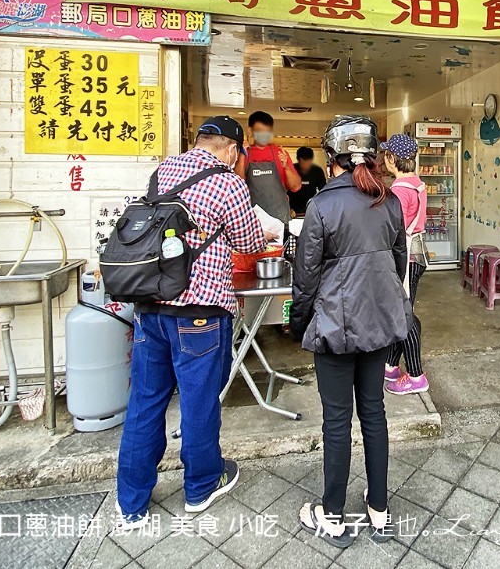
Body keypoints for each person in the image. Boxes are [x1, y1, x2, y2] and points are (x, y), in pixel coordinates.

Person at [117, 116, 280, 528]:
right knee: (198, 400)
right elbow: (246, 242)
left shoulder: (164, 169)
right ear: (231, 150)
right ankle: (201, 484)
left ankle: (131, 501)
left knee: (145, 400)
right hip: (199, 313)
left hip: (150, 308)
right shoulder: (228, 182)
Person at [289, 116, 411, 549]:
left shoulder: (321, 206)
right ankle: (379, 510)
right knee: (374, 413)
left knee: (337, 421)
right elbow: (398, 266)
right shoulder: (389, 201)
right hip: (379, 324)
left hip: (335, 328)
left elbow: (304, 279)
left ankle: (334, 516)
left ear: (331, 158)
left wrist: (299, 324)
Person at [381, 134, 430, 395]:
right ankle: (390, 365)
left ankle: (415, 375)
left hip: (406, 257)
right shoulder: (417, 184)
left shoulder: (399, 191)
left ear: (392, 158)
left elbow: (394, 230)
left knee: (403, 315)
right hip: (418, 254)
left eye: (385, 154)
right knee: (404, 309)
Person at [236, 111, 301, 225]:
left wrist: (286, 168)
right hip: (252, 223)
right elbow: (237, 186)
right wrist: (241, 156)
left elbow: (296, 186)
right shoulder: (244, 154)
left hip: (280, 221)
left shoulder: (280, 153)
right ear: (250, 131)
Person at [287, 147, 327, 217]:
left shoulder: (317, 171)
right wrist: (288, 208)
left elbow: (323, 192)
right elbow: (284, 191)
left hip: (311, 209)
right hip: (292, 210)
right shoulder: (291, 170)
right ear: (298, 160)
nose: (305, 166)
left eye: (308, 163)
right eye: (303, 163)